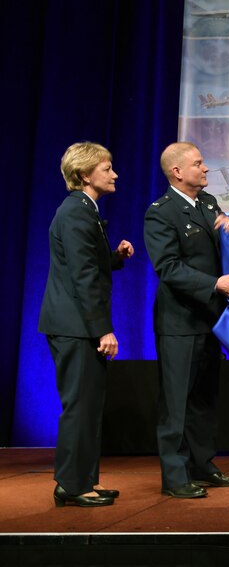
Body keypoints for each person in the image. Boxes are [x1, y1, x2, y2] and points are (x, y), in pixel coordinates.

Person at [144, 141, 229, 499]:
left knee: (203, 398)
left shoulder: (208, 204)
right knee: (176, 402)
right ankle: (174, 476)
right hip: (179, 322)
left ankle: (203, 464)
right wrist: (213, 284)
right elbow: (168, 268)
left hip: (210, 319)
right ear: (177, 171)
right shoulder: (161, 212)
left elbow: (218, 252)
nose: (205, 169)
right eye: (199, 163)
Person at [38, 142, 134, 507]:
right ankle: (72, 485)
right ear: (84, 175)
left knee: (89, 404)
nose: (114, 174)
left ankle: (82, 481)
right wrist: (103, 329)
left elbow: (88, 265)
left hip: (76, 324)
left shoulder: (84, 210)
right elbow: (82, 278)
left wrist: (115, 257)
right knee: (80, 404)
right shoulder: (77, 212)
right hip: (75, 326)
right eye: (107, 168)